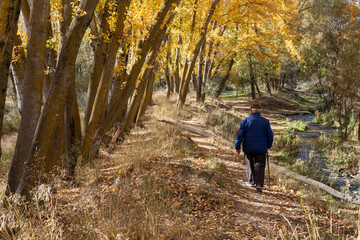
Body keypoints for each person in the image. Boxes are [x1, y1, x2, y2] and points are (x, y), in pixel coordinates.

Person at [235, 103, 274, 192]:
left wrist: (237, 146)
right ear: (261, 111)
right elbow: (270, 135)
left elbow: (240, 135)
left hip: (248, 147)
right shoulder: (265, 121)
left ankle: (251, 182)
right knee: (260, 165)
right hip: (261, 148)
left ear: (251, 110)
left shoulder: (245, 121)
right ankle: (259, 184)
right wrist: (268, 145)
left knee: (249, 164)